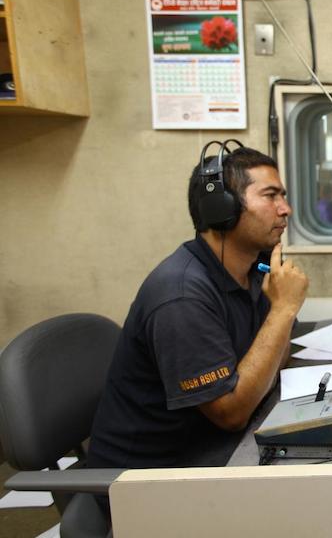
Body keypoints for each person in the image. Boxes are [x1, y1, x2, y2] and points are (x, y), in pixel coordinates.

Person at [88, 143, 309, 471]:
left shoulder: (256, 270)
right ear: (223, 207)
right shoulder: (181, 296)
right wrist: (283, 309)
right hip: (149, 479)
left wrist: (280, 307)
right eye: (271, 196)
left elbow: (275, 360)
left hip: (214, 448)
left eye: (283, 196)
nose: (285, 209)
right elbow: (231, 414)